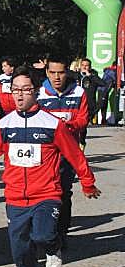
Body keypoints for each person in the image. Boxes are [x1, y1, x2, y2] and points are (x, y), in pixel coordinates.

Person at [0, 65, 100, 267]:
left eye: (25, 90)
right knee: (20, 253)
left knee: (43, 235)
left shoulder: (52, 124)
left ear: (36, 92)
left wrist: (87, 182)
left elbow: (74, 155)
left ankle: (54, 247)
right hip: (15, 198)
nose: (19, 95)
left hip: (46, 195)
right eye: (15, 90)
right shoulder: (5, 124)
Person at [36, 55, 89, 250]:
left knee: (64, 192)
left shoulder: (79, 92)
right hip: (45, 153)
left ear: (67, 72)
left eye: (61, 73)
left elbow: (84, 118)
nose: (57, 77)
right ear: (47, 72)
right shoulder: (39, 93)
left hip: (69, 151)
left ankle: (61, 232)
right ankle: (42, 231)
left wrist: (68, 126)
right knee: (43, 191)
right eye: (52, 73)